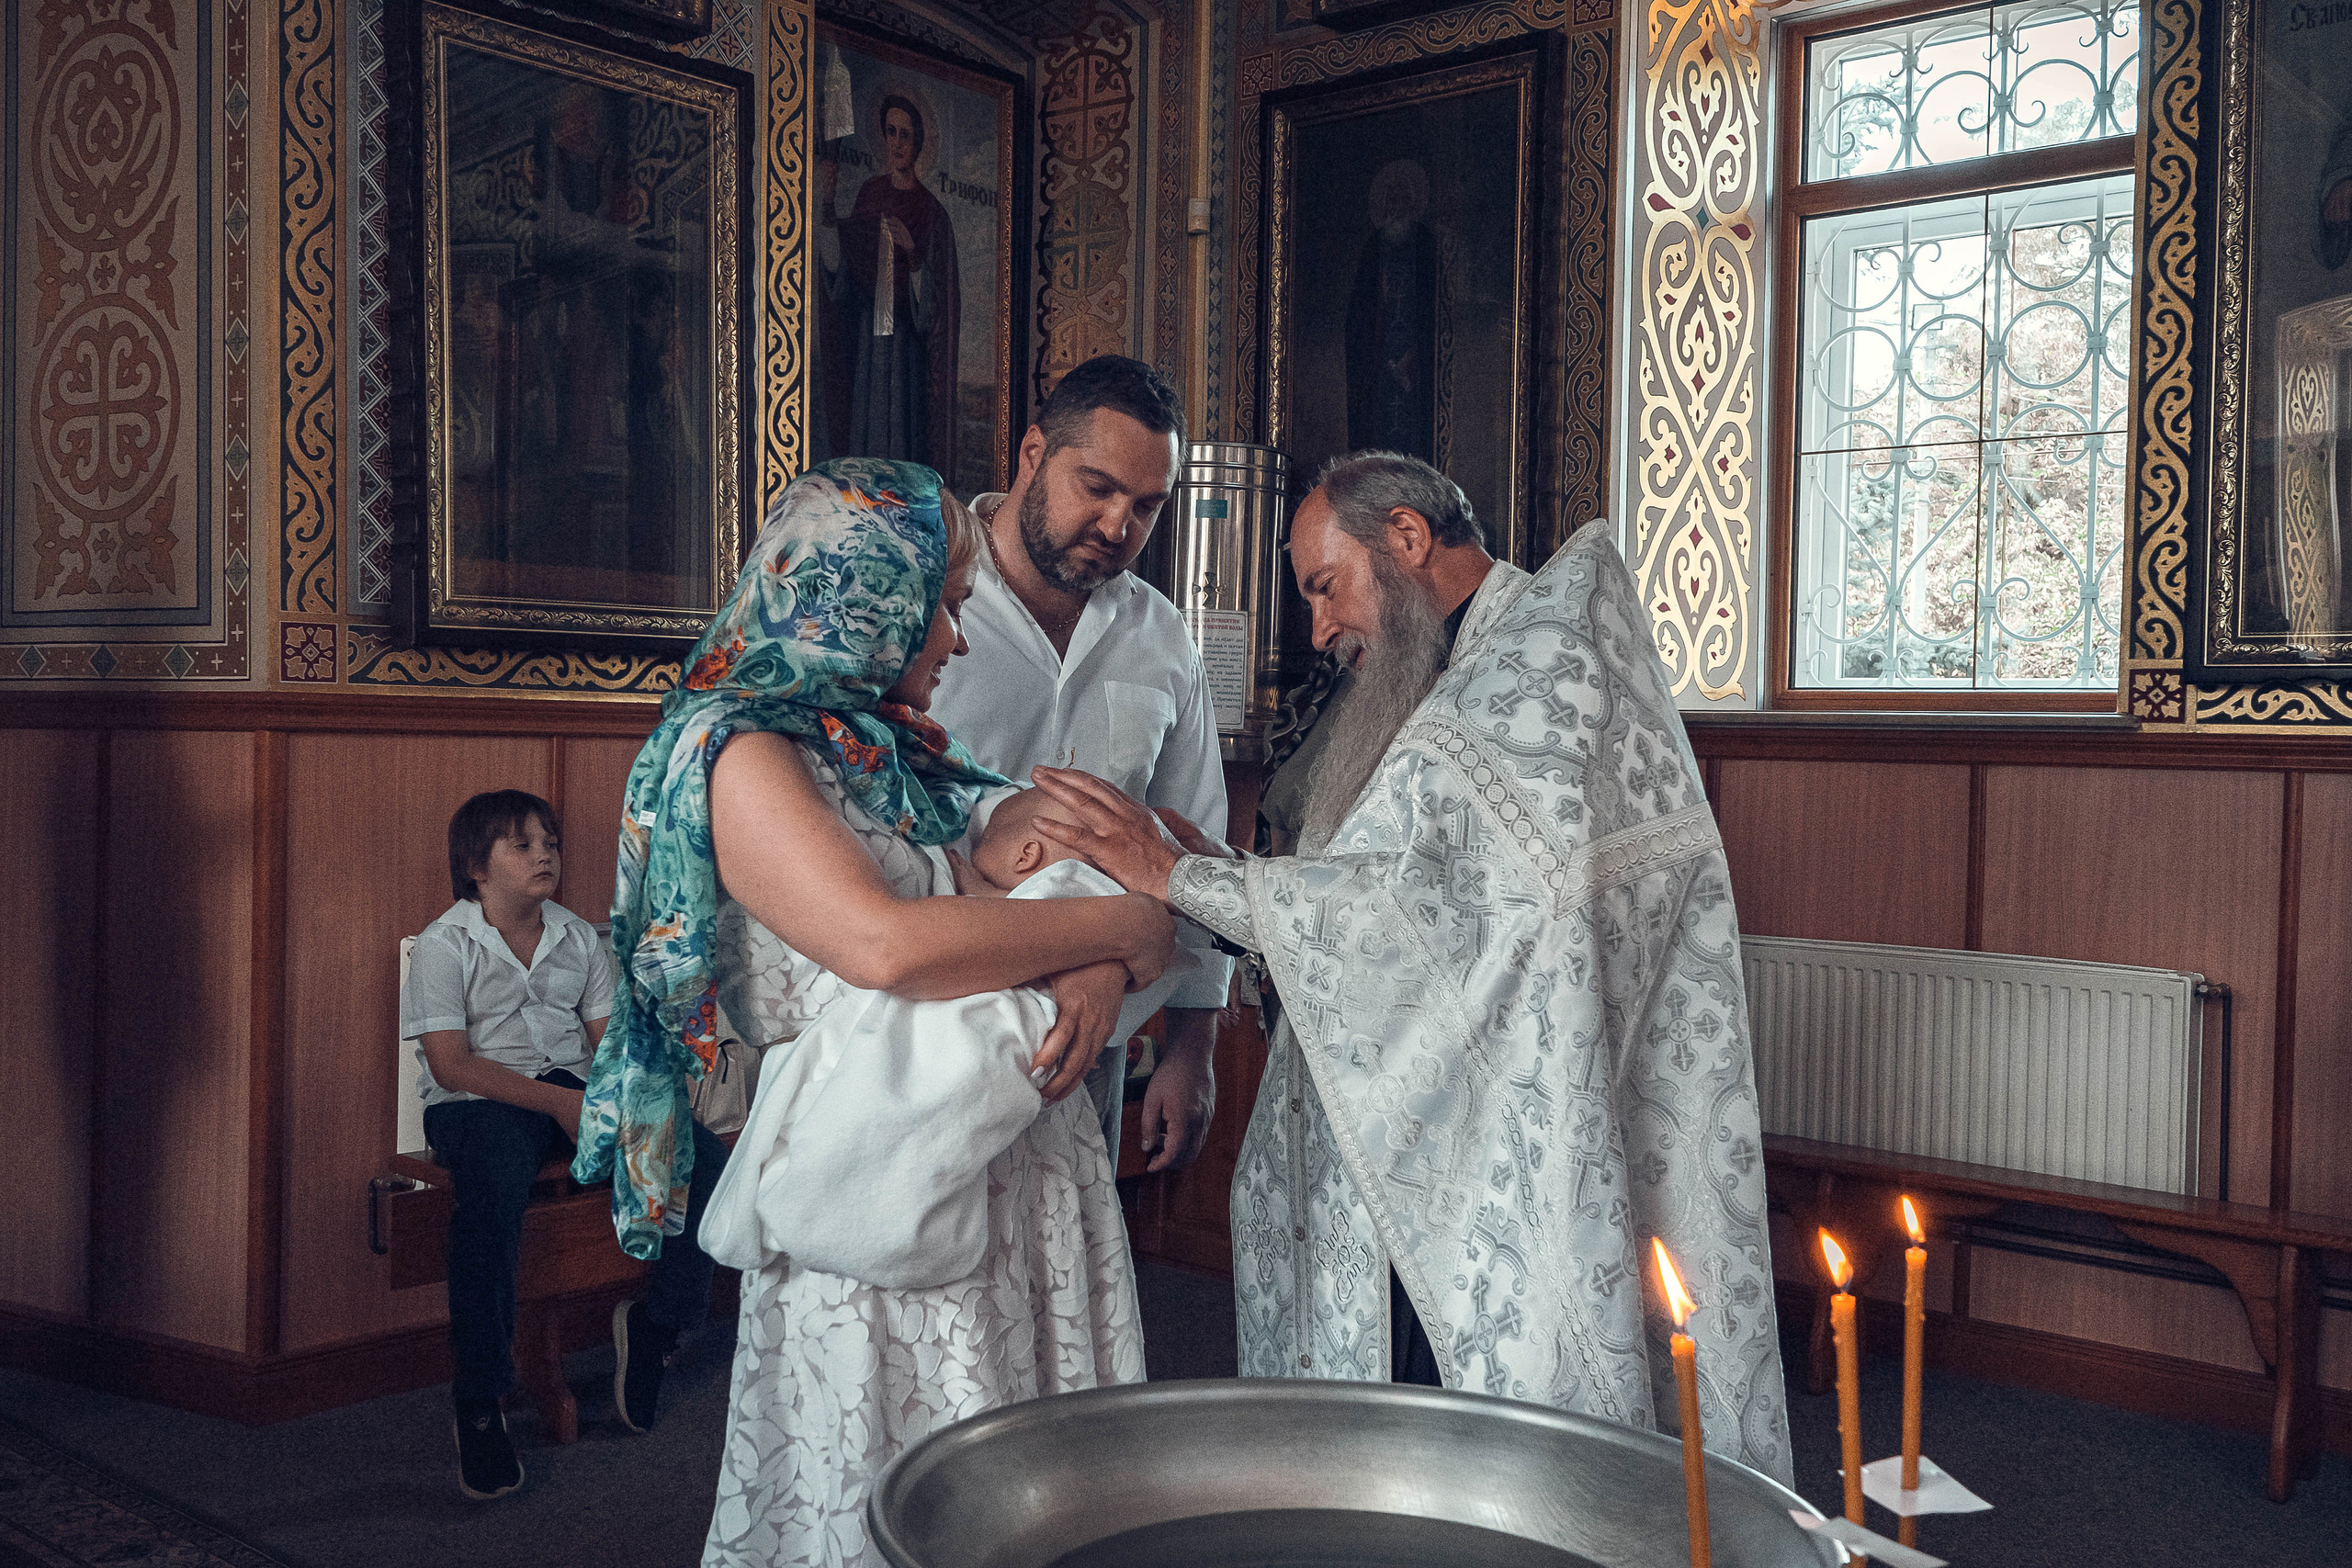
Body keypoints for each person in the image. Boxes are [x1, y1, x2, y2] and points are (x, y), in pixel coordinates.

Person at [1027, 451, 1794, 1482]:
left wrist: (1170, 875)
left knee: (1481, 1423)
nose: (1319, 627)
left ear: (1404, 538)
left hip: (1510, 1129)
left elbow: (1423, 917)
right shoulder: (1478, 659)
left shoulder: (1529, 673)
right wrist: (1219, 876)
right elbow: (1409, 896)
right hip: (1459, 1104)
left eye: (1321, 585)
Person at [567, 457, 1173, 1568]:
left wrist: (1101, 961)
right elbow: (884, 947)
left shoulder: (890, 748)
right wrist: (1118, 939)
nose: (954, 640)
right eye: (942, 609)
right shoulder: (740, 752)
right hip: (877, 1190)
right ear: (867, 599)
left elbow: (1104, 859)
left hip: (1010, 1163)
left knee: (1036, 1496)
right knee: (904, 1492)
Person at [928, 355, 1230, 1179]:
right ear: (1033, 452)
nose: (1116, 524)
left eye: (1145, 506)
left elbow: (1192, 848)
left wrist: (1191, 1047)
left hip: (1092, 1045)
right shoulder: (925, 602)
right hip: (927, 1029)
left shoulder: (1162, 638)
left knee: (1068, 1290)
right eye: (1095, 486)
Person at [400, 790, 729, 1502]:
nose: (544, 853)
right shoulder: (444, 944)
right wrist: (561, 1103)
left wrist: (637, 1099)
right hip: (479, 1102)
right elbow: (451, 1064)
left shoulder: (579, 937)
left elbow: (608, 1045)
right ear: (474, 866)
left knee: (698, 1153)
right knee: (491, 1183)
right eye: (522, 844)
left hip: (573, 1092)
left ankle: (658, 1325)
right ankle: (481, 1397)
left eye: (549, 841)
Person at [816, 94, 962, 484]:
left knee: (901, 435)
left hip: (906, 351)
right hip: (867, 342)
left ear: (918, 145)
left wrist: (913, 255)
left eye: (906, 135)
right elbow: (841, 268)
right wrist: (827, 204)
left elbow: (935, 314)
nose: (897, 142)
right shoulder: (870, 194)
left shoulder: (932, 213)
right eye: (891, 132)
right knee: (866, 434)